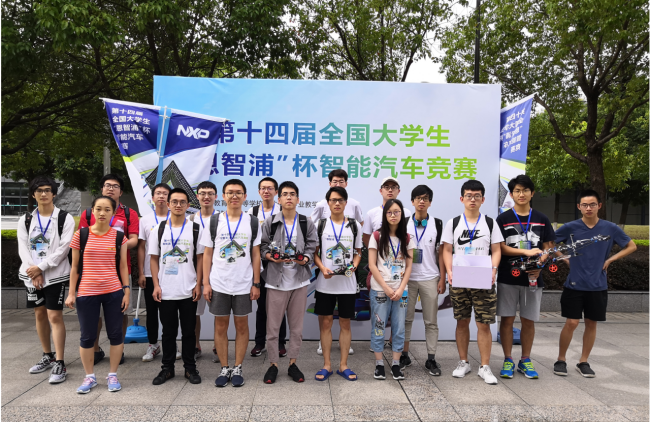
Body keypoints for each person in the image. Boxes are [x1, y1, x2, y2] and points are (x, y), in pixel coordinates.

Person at [553, 189, 636, 378]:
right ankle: (561, 359)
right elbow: (549, 243)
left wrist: (610, 260)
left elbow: (631, 246)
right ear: (579, 207)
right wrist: (564, 257)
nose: (588, 208)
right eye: (584, 205)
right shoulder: (570, 227)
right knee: (572, 322)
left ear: (599, 206)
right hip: (574, 284)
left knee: (591, 323)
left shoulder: (610, 228)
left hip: (598, 285)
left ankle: (583, 361)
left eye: (592, 204)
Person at [441, 180, 504, 385]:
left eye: (477, 196)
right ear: (462, 198)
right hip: (459, 278)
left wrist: (493, 269)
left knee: (483, 324)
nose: (473, 199)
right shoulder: (453, 223)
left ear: (483, 199)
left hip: (483, 278)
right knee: (462, 321)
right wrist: (449, 271)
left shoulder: (490, 223)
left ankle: (485, 366)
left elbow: (496, 250)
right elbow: (447, 250)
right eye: (469, 195)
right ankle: (463, 362)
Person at [66, 196, 130, 394]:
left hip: (113, 292)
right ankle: (89, 376)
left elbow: (123, 266)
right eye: (98, 209)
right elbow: (74, 267)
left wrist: (126, 291)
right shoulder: (81, 235)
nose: (102, 213)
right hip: (87, 292)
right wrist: (71, 293)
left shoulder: (119, 237)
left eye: (107, 209)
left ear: (113, 213)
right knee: (87, 336)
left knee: (116, 334)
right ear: (92, 211)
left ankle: (113, 374)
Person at [201, 179, 261, 387]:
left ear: (245, 196)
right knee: (220, 326)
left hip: (243, 283)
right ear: (223, 196)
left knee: (242, 325)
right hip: (219, 282)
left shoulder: (252, 222)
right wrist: (206, 283)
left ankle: (238, 367)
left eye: (238, 192)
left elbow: (256, 254)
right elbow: (207, 254)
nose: (234, 196)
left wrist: (256, 283)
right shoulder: (214, 221)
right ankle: (224, 367)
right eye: (230, 192)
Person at [496, 175, 556, 379]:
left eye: (525, 190)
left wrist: (540, 265)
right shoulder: (503, 219)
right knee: (507, 320)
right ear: (511, 194)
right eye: (517, 191)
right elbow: (500, 247)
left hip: (533, 278)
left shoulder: (542, 218)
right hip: (508, 277)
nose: (521, 194)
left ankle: (525, 360)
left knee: (528, 321)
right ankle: (508, 359)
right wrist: (526, 252)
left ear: (532, 193)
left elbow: (548, 248)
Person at [18, 176, 75, 384]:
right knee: (39, 313)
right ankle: (47, 355)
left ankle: (60, 361)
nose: (43, 194)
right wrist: (33, 271)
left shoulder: (65, 218)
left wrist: (41, 268)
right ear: (33, 194)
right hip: (32, 277)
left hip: (55, 276)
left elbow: (64, 249)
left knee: (54, 316)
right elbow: (23, 248)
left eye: (47, 190)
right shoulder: (25, 220)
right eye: (39, 190)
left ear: (54, 193)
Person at [259, 181, 317, 384]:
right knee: (273, 328)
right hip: (276, 281)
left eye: (292, 194)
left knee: (296, 328)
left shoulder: (306, 222)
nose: (289, 197)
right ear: (279, 199)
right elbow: (262, 247)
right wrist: (271, 257)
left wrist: (306, 258)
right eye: (285, 194)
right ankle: (273, 364)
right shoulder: (270, 222)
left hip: (299, 281)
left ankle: (293, 363)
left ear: (298, 199)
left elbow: (312, 246)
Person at [78, 174, 139, 365]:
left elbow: (134, 239)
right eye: (107, 185)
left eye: (115, 186)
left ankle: (118, 348)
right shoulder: (89, 214)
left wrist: (117, 244)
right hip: (92, 272)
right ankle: (95, 349)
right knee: (93, 313)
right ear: (102, 189)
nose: (111, 188)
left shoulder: (129, 214)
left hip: (120, 269)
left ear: (121, 191)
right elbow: (81, 240)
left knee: (121, 310)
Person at [149, 188, 204, 385]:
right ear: (168, 204)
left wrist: (198, 284)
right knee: (168, 332)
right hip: (166, 290)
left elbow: (200, 258)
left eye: (182, 202)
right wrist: (156, 285)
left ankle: (190, 368)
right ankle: (167, 368)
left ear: (188, 205)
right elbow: (153, 259)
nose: (178, 205)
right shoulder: (159, 229)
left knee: (189, 332)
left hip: (188, 289)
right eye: (174, 202)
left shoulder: (196, 228)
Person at [313, 187, 362, 382]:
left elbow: (358, 252)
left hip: (347, 284)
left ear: (346, 202)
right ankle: (326, 365)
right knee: (325, 323)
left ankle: (343, 365)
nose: (337, 203)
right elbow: (315, 253)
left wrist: (354, 267)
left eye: (341, 200)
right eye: (333, 200)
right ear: (328, 203)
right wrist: (322, 268)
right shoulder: (320, 225)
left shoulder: (354, 225)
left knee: (345, 323)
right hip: (325, 283)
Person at [368, 199, 415, 381]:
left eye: (397, 212)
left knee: (399, 328)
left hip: (401, 291)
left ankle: (396, 364)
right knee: (379, 327)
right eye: (389, 212)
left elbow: (409, 266)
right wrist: (387, 288)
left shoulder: (407, 238)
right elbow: (372, 265)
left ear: (402, 214)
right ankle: (379, 364)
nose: (393, 215)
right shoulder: (377, 236)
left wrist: (401, 288)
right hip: (380, 290)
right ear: (384, 215)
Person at [402, 185, 445, 376]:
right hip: (407, 279)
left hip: (430, 278)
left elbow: (441, 253)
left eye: (425, 198)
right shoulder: (403, 223)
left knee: (431, 321)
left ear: (430, 202)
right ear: (412, 201)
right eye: (418, 198)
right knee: (405, 319)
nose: (422, 201)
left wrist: (442, 278)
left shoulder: (438, 224)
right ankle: (404, 355)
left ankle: (431, 358)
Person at [246, 177, 287, 358]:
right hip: (259, 263)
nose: (266, 191)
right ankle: (260, 342)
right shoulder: (252, 212)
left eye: (270, 188)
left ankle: (280, 342)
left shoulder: (283, 210)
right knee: (262, 306)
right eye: (263, 188)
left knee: (279, 305)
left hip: (278, 263)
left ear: (276, 192)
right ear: (259, 192)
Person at [138, 183, 178, 362]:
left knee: (171, 312)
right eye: (158, 193)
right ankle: (153, 344)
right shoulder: (145, 220)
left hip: (172, 273)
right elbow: (141, 247)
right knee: (152, 311)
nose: (161, 196)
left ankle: (172, 344)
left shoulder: (178, 218)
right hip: (150, 273)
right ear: (152, 198)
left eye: (165, 194)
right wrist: (141, 272)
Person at [189, 181, 218, 362]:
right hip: (195, 272)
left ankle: (217, 346)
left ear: (216, 196)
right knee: (195, 313)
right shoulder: (190, 220)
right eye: (203, 193)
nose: (206, 196)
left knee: (218, 313)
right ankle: (196, 345)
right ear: (197, 196)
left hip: (218, 272)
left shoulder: (222, 218)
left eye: (210, 193)